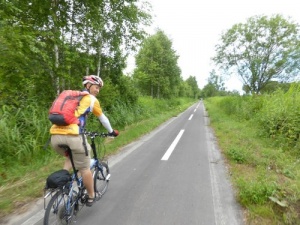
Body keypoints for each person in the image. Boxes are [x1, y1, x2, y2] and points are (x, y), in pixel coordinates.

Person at [50, 75, 118, 207]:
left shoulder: (73, 97)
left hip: (55, 137)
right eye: (96, 87)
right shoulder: (91, 99)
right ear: (88, 86)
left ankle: (64, 185)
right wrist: (111, 132)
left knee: (71, 156)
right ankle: (92, 195)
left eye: (99, 88)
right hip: (73, 136)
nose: (98, 90)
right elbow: (103, 118)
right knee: (85, 168)